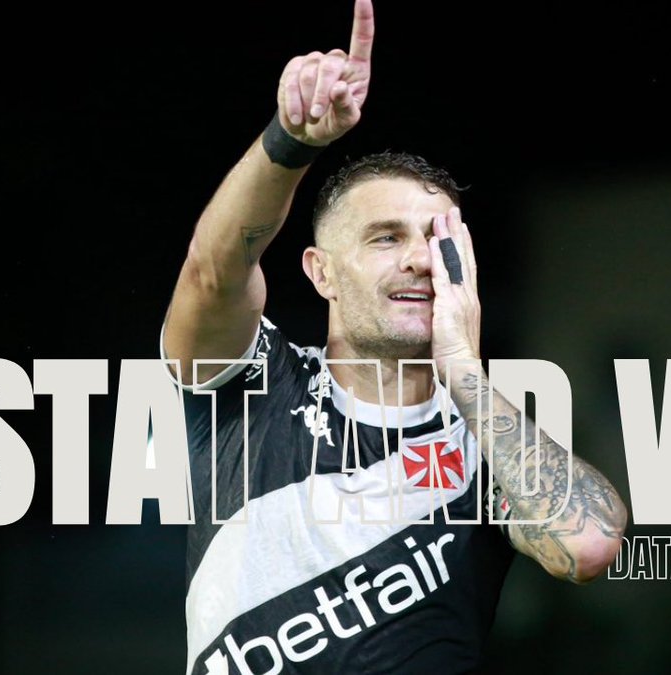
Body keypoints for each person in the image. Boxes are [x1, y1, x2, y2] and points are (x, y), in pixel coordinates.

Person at [160, 1, 627, 672]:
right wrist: (289, 142)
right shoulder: (254, 386)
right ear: (321, 272)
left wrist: (463, 370)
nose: (418, 260)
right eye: (386, 238)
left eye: (438, 242)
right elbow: (213, 271)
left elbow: (587, 546)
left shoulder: (484, 442)